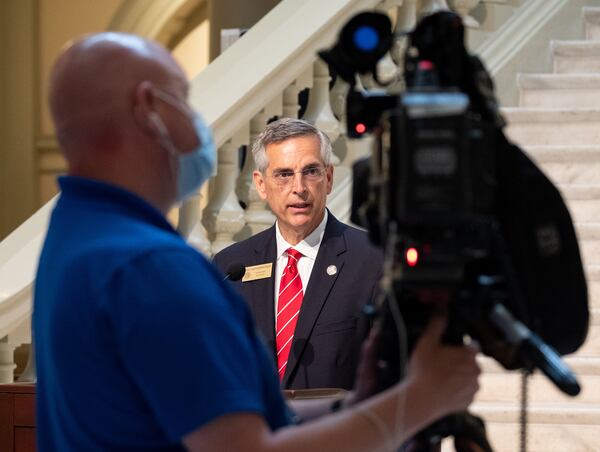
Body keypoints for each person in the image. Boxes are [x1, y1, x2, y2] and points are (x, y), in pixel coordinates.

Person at [34, 31, 480, 451]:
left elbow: (238, 422)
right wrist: (419, 402)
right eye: (184, 101)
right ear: (150, 108)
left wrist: (361, 400)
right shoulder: (149, 266)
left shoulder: (74, 233)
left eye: (310, 173)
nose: (298, 187)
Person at [213, 118, 382, 390]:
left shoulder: (372, 260)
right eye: (284, 174)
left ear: (328, 178)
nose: (299, 188)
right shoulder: (231, 268)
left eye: (311, 171)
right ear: (260, 184)